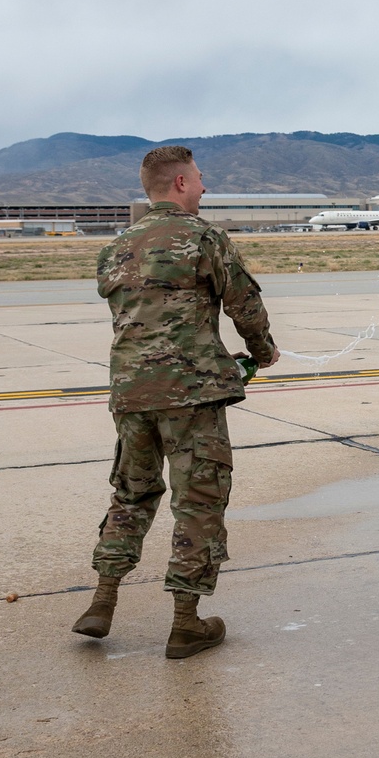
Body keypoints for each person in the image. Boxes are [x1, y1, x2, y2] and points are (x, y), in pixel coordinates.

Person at [71, 145, 279, 659]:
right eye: (201, 179)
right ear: (181, 184)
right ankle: (186, 623)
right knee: (199, 501)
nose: (205, 188)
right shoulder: (203, 238)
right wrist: (263, 351)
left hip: (130, 393)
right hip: (191, 396)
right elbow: (244, 304)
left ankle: (102, 601)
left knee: (132, 495)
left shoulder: (118, 244)